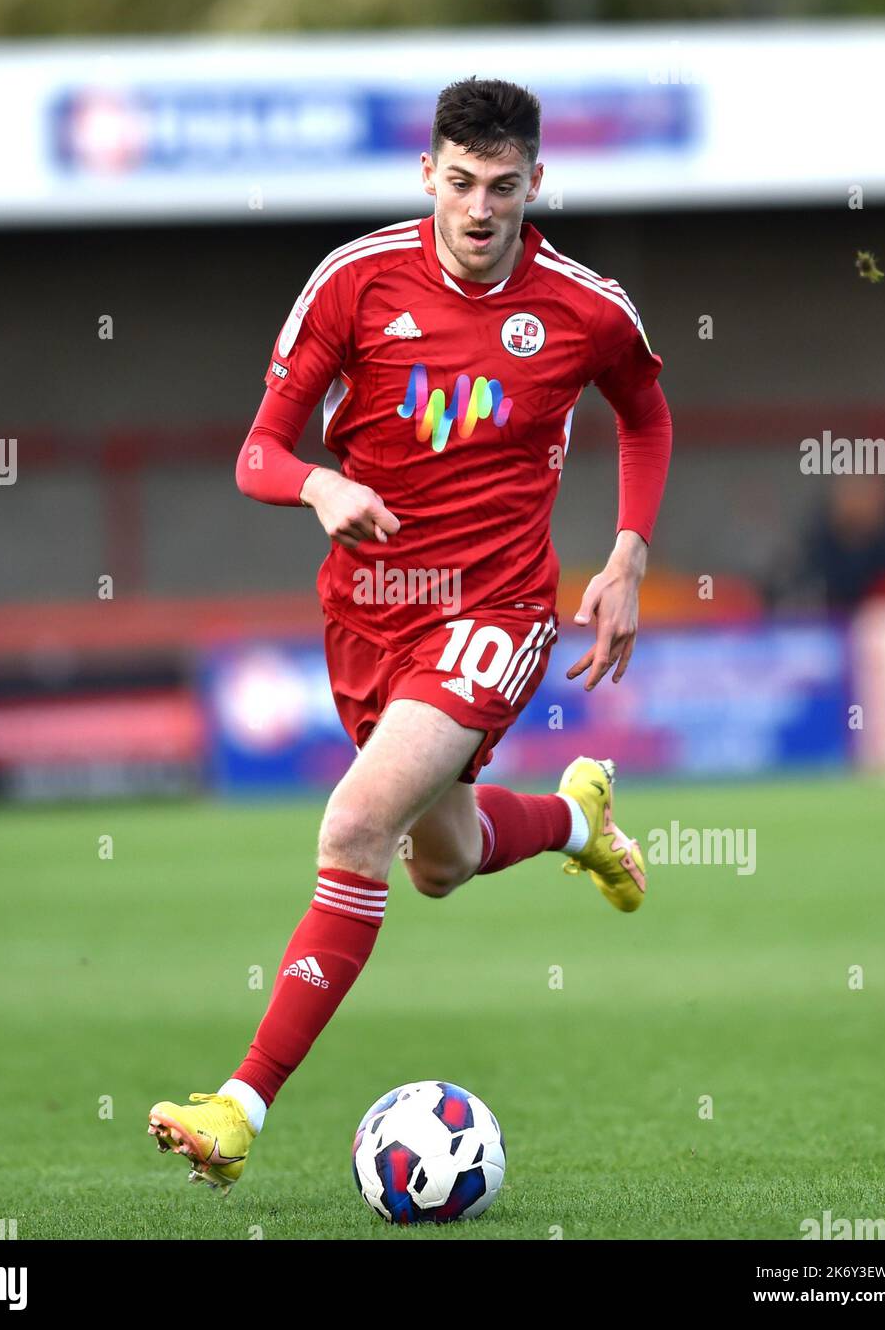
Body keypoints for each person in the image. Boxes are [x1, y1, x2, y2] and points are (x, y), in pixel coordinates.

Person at [148, 77, 673, 1192]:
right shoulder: (352, 281)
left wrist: (627, 553)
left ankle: (239, 1109)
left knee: (355, 827)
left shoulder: (585, 308)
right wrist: (317, 489)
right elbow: (257, 454)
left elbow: (645, 411)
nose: (483, 210)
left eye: (506, 187)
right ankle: (578, 822)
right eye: (463, 183)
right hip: (369, 615)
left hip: (497, 610)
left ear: (537, 183)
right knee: (440, 862)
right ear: (426, 175)